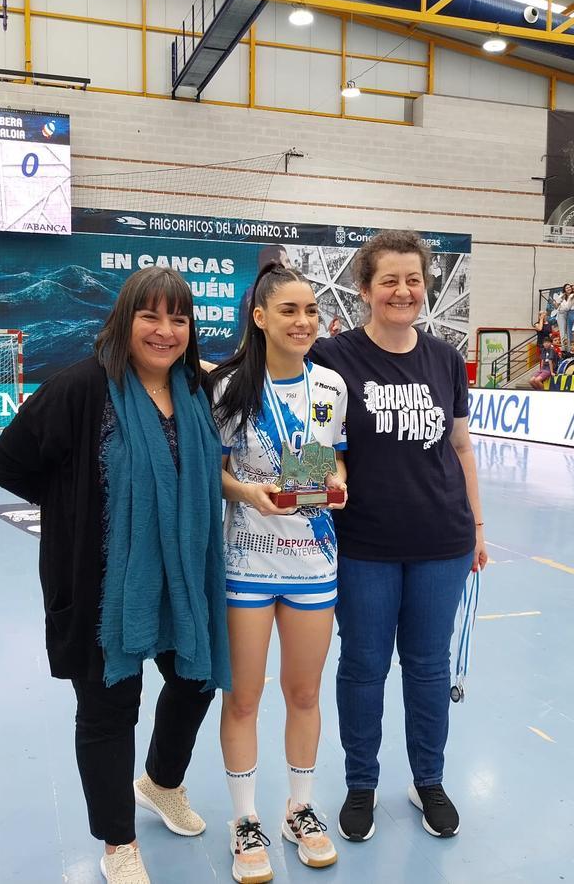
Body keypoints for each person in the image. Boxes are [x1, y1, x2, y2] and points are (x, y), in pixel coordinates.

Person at [0, 267, 230, 884]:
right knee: (108, 710)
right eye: (151, 316)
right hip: (104, 586)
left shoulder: (193, 393)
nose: (165, 330)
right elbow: (5, 463)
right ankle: (118, 841)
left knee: (195, 680)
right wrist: (76, 504)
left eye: (178, 317)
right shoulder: (81, 387)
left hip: (185, 574)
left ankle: (162, 783)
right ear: (126, 320)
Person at [303, 230, 487, 844]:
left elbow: (460, 446)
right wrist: (303, 508)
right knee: (362, 666)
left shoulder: (442, 357)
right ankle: (361, 783)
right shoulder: (333, 359)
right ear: (365, 289)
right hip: (364, 546)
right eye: (390, 280)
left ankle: (427, 780)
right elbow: (315, 442)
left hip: (443, 541)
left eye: (413, 279)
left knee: (429, 667)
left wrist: (478, 528)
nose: (403, 291)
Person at [210, 264, 348, 883]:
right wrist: (247, 492)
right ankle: (244, 819)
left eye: (312, 310)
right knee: (243, 697)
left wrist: (335, 486)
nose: (303, 322)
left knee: (305, 693)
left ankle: (300, 807)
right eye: (289, 310)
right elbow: (213, 473)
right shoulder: (226, 387)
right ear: (260, 317)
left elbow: (328, 467)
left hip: (312, 561)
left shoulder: (331, 388)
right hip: (246, 564)